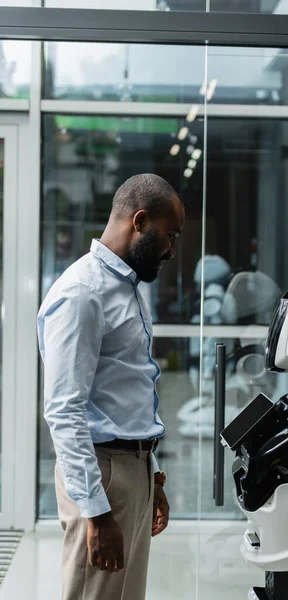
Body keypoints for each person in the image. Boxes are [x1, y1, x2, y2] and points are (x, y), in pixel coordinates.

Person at [37, 173, 185, 600]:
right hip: (101, 476)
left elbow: (129, 392)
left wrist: (152, 477)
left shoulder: (129, 287)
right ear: (139, 221)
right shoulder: (83, 292)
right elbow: (64, 410)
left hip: (132, 470)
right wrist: (97, 514)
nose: (172, 249)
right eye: (168, 235)